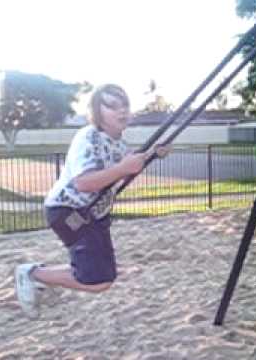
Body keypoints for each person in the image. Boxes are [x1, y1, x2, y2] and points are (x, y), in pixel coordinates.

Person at [15, 84, 170, 314]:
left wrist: (151, 154)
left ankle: (41, 277)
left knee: (104, 278)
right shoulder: (89, 137)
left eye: (125, 105)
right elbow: (83, 182)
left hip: (93, 214)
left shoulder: (118, 143)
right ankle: (31, 274)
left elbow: (123, 168)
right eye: (112, 106)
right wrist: (122, 168)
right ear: (97, 111)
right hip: (69, 211)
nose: (122, 111)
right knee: (94, 279)